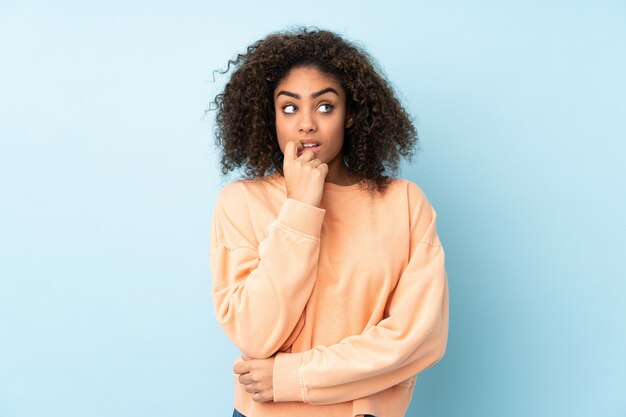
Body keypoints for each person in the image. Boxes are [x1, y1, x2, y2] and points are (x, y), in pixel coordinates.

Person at [208, 27, 449, 417]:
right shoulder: (242, 202)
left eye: (324, 107)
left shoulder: (403, 203)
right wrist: (301, 204)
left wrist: (291, 376)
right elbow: (254, 333)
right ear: (269, 116)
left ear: (350, 113)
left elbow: (417, 339)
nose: (306, 124)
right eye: (289, 108)